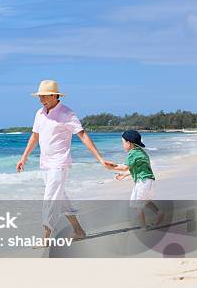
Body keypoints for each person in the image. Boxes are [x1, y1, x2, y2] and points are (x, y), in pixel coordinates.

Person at [16, 80, 115, 239]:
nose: (41, 100)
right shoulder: (40, 113)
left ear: (55, 95)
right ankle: (78, 230)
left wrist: (100, 159)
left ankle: (46, 236)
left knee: (50, 198)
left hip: (59, 163)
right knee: (61, 199)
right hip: (45, 164)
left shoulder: (67, 114)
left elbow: (83, 136)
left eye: (45, 96)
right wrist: (24, 158)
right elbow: (35, 136)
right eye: (40, 97)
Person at [107, 130, 165, 228]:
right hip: (149, 180)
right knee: (145, 201)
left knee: (137, 204)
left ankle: (143, 226)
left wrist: (111, 167)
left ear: (129, 143)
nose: (122, 145)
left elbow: (125, 167)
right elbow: (137, 168)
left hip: (142, 182)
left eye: (123, 143)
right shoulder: (142, 152)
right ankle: (159, 213)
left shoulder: (132, 153)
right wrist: (125, 175)